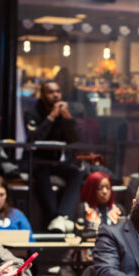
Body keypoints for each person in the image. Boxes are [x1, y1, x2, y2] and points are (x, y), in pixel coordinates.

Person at [25, 79, 83, 232]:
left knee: (76, 173)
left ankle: (61, 216)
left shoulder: (64, 114)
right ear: (43, 95)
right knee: (41, 174)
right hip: (38, 161)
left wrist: (68, 119)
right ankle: (55, 218)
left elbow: (75, 140)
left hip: (57, 162)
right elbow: (33, 138)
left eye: (58, 91)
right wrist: (51, 117)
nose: (55, 95)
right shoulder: (32, 113)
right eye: (51, 92)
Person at [73, 171, 125, 240]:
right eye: (100, 188)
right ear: (91, 190)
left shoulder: (118, 209)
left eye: (108, 188)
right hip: (91, 249)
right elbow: (79, 235)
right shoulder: (84, 208)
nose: (105, 191)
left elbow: (125, 235)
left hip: (113, 249)